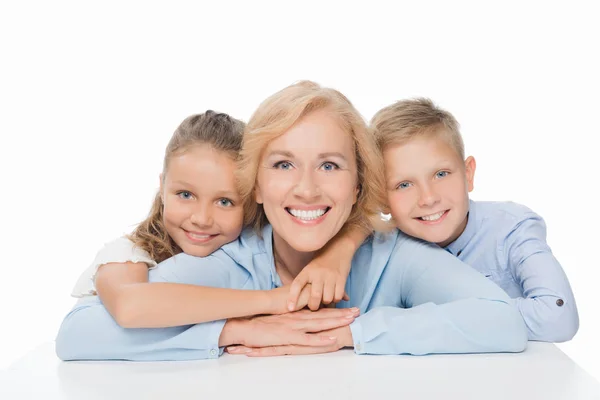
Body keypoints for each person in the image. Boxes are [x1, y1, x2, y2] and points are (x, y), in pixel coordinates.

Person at [55, 81, 527, 361]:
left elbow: (503, 320)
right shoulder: (233, 261)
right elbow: (78, 331)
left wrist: (349, 333)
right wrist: (234, 329)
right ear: (255, 187)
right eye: (283, 165)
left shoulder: (394, 257)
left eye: (329, 165)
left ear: (360, 184)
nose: (306, 189)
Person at [68, 110, 358, 330]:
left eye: (224, 202)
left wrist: (339, 251)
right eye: (185, 194)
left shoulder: (255, 244)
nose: (202, 219)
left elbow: (365, 218)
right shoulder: (128, 254)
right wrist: (272, 303)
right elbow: (129, 307)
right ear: (162, 185)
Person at [371, 98, 578, 342]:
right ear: (381, 197)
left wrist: (432, 321)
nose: (428, 198)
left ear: (468, 174)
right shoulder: (380, 251)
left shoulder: (511, 229)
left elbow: (558, 317)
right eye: (404, 184)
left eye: (441, 174)